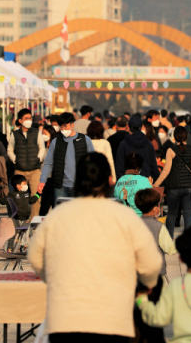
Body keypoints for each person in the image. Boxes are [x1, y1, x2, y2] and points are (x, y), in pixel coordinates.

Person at [29, 151, 163, 341]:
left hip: (65, 321)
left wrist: (55, 277)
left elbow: (35, 257)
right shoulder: (126, 219)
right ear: (110, 180)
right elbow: (151, 265)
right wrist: (145, 286)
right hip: (112, 320)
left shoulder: (57, 217)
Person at [37, 112, 95, 205]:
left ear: (72, 125)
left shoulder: (84, 140)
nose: (63, 129)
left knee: (79, 214)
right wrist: (42, 181)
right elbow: (48, 163)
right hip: (61, 186)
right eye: (61, 127)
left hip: (80, 186)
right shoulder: (56, 141)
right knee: (61, 215)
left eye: (65, 126)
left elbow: (93, 161)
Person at [153, 126, 191, 237]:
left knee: (172, 214)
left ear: (174, 137)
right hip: (189, 186)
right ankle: (189, 239)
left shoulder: (171, 150)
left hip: (174, 186)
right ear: (186, 136)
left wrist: (156, 184)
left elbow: (166, 170)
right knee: (188, 215)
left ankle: (169, 239)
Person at [7, 108, 46, 219]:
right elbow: (10, 150)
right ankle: (19, 220)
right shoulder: (14, 134)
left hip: (34, 170)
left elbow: (41, 148)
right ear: (20, 120)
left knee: (36, 197)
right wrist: (15, 160)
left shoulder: (36, 132)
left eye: (30, 118)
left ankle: (33, 221)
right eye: (26, 118)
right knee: (17, 197)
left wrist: (38, 159)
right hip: (20, 170)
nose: (29, 120)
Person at [135, 188, 176, 274]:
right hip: (156, 271)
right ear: (155, 209)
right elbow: (170, 249)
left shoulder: (133, 225)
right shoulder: (159, 227)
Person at [116, 114, 159, 180]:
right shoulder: (148, 144)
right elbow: (154, 167)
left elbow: (119, 167)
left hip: (128, 183)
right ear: (141, 127)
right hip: (145, 183)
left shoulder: (123, 144)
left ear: (128, 127)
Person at [39, 124, 58, 215]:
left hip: (52, 178)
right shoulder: (41, 146)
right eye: (42, 133)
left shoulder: (56, 145)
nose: (43, 136)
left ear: (51, 134)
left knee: (53, 202)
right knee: (44, 203)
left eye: (45, 133)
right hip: (42, 177)